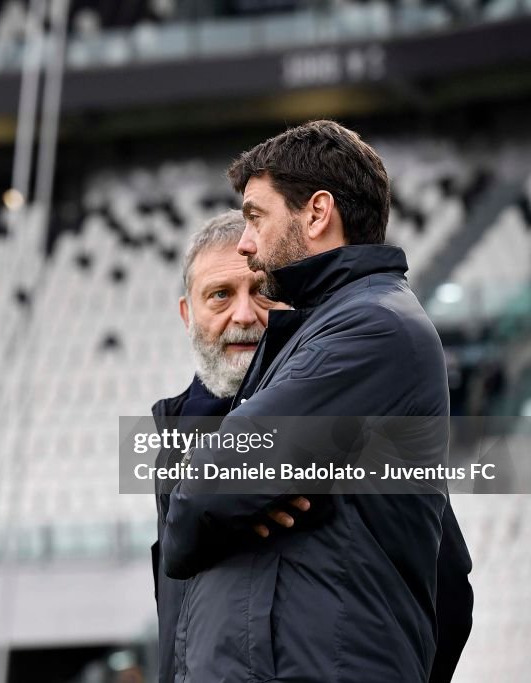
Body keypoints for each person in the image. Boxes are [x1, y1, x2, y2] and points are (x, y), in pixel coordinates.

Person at [159, 121, 473, 683]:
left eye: (256, 217)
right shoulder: (333, 333)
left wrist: (227, 494)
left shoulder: (372, 328)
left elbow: (203, 494)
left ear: (317, 212)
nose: (248, 244)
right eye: (219, 295)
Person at [150, 210, 282, 683]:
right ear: (188, 313)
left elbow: (442, 590)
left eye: (263, 291)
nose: (244, 315)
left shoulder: (347, 426)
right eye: (220, 295)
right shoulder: (171, 438)